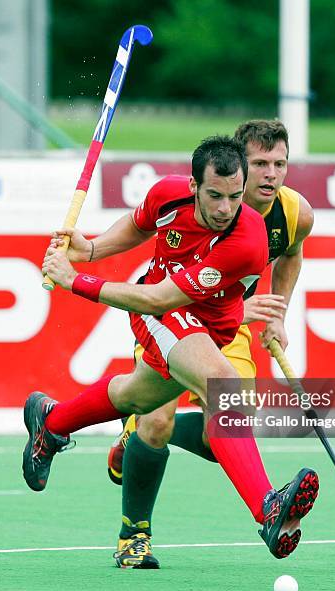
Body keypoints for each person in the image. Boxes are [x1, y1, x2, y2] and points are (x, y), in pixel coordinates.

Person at [22, 134, 318, 569]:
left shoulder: (247, 241)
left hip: (197, 320)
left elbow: (162, 297)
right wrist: (90, 249)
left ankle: (51, 421)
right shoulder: (166, 194)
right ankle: (266, 509)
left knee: (135, 397)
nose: (224, 209)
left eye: (234, 197)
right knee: (223, 387)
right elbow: (140, 227)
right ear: (193, 185)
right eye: (214, 196)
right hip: (164, 317)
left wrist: (76, 281)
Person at [105, 120, 317, 568]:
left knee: (228, 428)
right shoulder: (202, 205)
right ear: (238, 166)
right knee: (157, 422)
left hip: (230, 329)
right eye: (259, 163)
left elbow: (292, 251)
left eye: (279, 164)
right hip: (173, 314)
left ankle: (133, 430)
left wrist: (277, 310)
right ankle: (133, 536)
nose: (270, 174)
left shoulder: (295, 213)